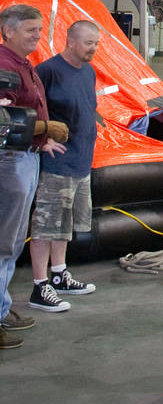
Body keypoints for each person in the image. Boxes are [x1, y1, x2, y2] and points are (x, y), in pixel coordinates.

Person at [0, 4, 68, 350]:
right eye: (30, 30)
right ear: (7, 31)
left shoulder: (23, 65)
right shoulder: (4, 66)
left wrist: (42, 140)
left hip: (25, 157)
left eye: (39, 30)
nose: (37, 36)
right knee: (3, 241)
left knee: (11, 242)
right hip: (9, 162)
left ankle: (2, 307)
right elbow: (3, 122)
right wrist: (45, 127)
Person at [29, 20, 102, 312]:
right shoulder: (48, 71)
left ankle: (59, 274)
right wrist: (42, 139)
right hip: (58, 163)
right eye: (88, 43)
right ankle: (39, 285)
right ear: (71, 42)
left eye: (96, 43)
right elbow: (30, 109)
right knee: (46, 226)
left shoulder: (89, 71)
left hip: (81, 160)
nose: (93, 49)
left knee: (65, 224)